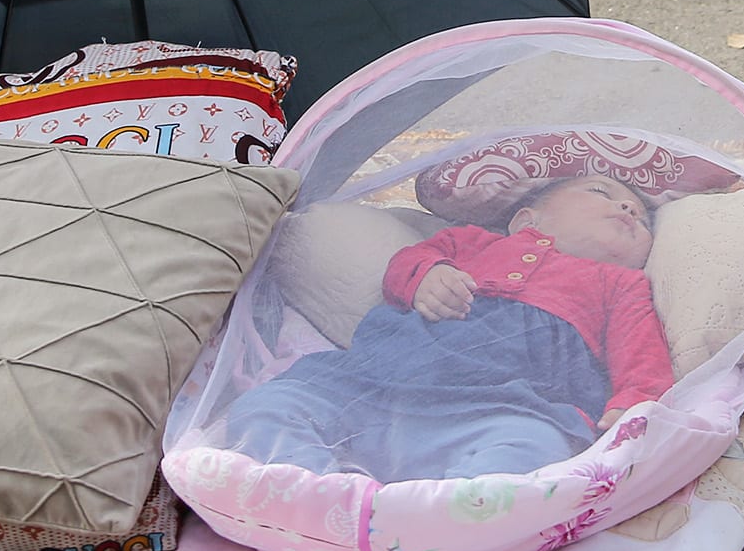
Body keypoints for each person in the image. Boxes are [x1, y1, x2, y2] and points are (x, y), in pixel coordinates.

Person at [222, 173, 675, 482]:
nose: (626, 207)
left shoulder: (623, 284)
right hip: (373, 385)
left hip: (502, 409)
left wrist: (634, 404)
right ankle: (319, 488)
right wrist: (426, 276)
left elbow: (641, 355)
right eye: (602, 191)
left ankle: (445, 512)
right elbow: (405, 264)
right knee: (266, 405)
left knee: (532, 449)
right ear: (527, 220)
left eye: (640, 215)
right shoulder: (471, 243)